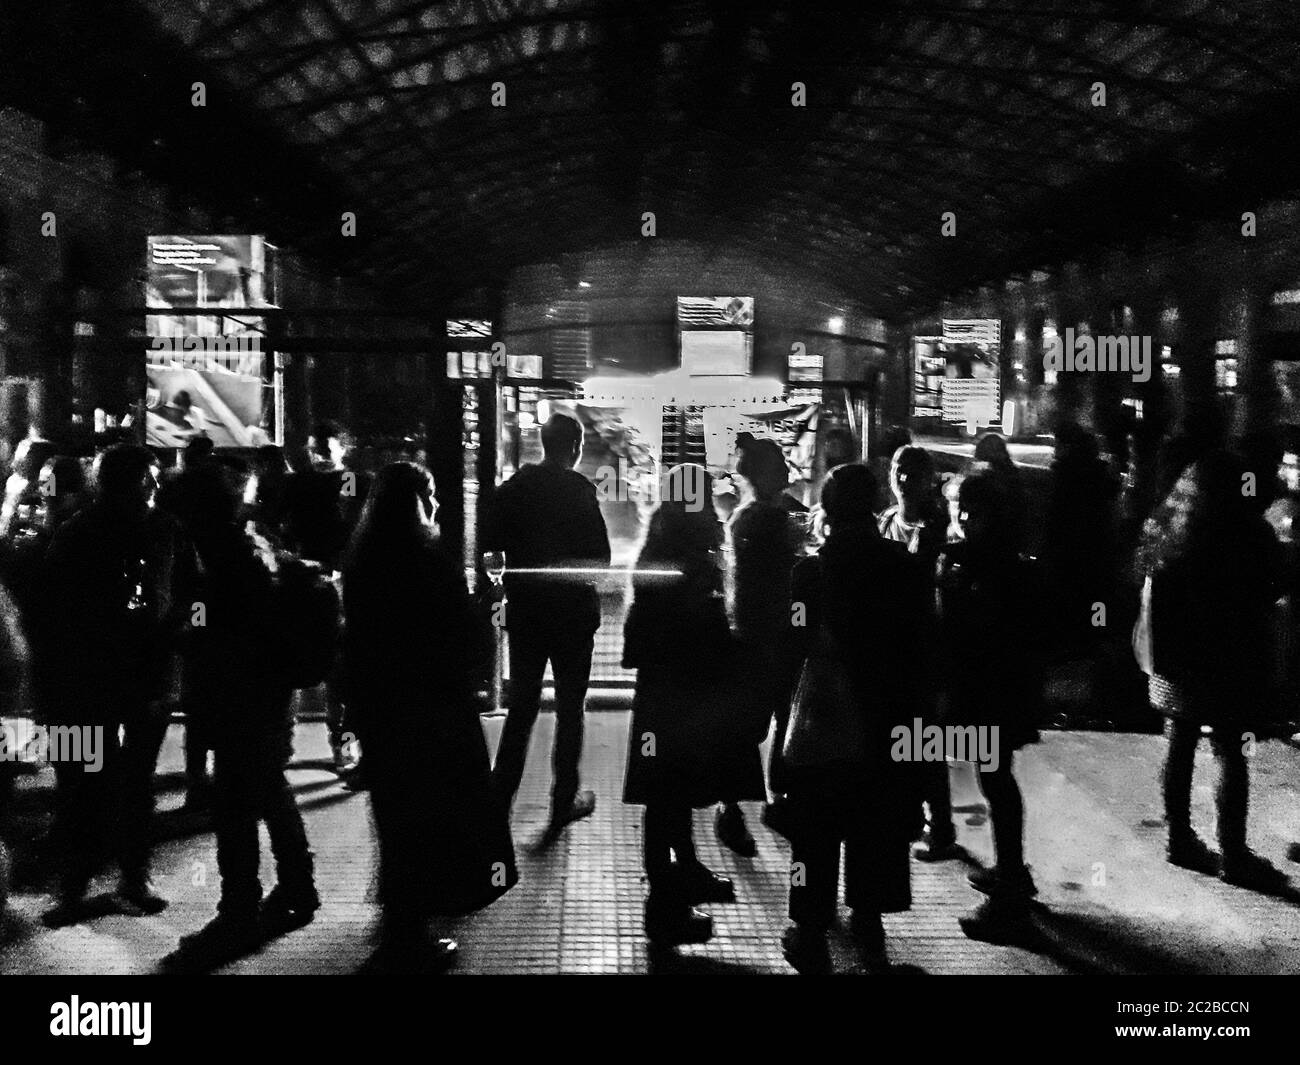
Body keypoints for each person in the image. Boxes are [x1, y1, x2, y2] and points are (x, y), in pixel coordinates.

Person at [344, 462, 517, 971]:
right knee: (427, 817)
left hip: (384, 711)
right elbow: (458, 637)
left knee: (397, 818)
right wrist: (491, 602)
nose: (438, 506)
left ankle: (401, 923)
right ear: (415, 504)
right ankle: (408, 935)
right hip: (432, 713)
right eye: (432, 496)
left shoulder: (365, 559)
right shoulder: (424, 563)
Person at [166, 461, 319, 965]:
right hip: (266, 691)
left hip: (238, 693)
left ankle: (239, 913)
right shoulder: (253, 545)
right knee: (270, 788)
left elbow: (207, 623)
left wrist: (188, 632)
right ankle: (297, 888)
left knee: (235, 805)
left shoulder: (217, 556)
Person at [42, 445, 193, 926]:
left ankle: (89, 885)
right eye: (147, 478)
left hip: (107, 674)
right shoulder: (142, 529)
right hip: (119, 673)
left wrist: (185, 629)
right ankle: (111, 881)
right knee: (117, 782)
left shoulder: (85, 531)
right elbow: (195, 594)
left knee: (91, 783)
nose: (152, 486)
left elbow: (193, 592)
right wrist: (186, 631)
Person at [623, 464, 764, 946]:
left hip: (659, 698)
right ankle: (668, 901)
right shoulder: (696, 562)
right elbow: (706, 634)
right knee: (672, 799)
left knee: (666, 799)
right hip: (686, 700)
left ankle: (674, 891)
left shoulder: (657, 550)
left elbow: (640, 634)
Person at [1136, 450, 1289, 893]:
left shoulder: (1175, 529)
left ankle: (1179, 838)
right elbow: (1273, 585)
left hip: (1175, 660)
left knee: (1179, 740)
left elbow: (1143, 572)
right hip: (1230, 661)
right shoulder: (1249, 533)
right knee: (1230, 752)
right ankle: (1234, 854)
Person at [483, 412, 611, 833]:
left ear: (542, 441)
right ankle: (562, 800)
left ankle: (499, 799)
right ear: (574, 448)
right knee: (571, 709)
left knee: (522, 707)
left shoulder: (514, 489)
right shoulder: (579, 491)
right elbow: (601, 559)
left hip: (528, 613)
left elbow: (490, 549)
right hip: (573, 615)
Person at [937, 464, 1046, 941]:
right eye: (958, 507)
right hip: (1002, 689)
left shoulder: (992, 565)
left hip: (994, 690)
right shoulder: (988, 556)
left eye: (970, 509)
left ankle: (1010, 898)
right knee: (995, 778)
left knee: (996, 780)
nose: (961, 517)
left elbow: (978, 629)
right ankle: (1011, 873)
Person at [716, 435, 801, 857]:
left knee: (754, 725)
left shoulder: (747, 518)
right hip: (769, 637)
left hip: (751, 635)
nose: (786, 470)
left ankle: (739, 808)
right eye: (780, 464)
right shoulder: (767, 520)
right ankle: (761, 803)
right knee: (770, 721)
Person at [877, 445, 959, 862]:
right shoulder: (887, 521)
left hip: (925, 646)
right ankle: (916, 819)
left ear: (930, 479)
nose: (904, 479)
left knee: (924, 742)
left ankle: (940, 827)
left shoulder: (938, 527)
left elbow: (918, 578)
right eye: (898, 470)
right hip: (893, 647)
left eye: (913, 472)